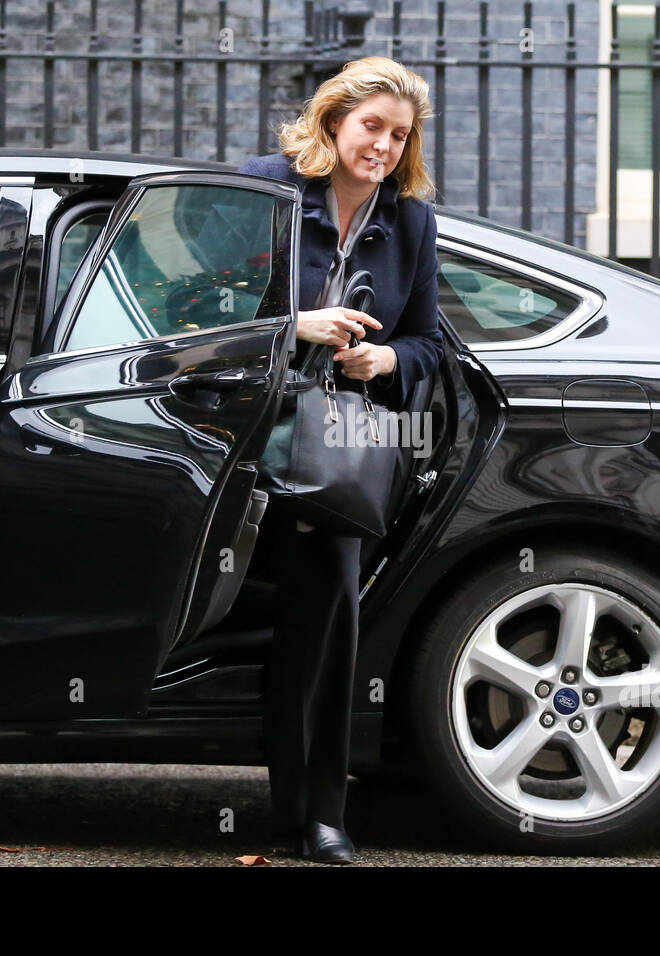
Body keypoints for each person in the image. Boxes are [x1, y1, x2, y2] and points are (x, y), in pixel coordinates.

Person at [237, 55, 443, 863]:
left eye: (400, 135)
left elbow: (430, 344)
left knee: (328, 617)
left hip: (335, 447)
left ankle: (316, 813)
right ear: (331, 122)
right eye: (372, 128)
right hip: (239, 435)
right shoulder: (266, 189)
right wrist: (299, 327)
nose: (385, 147)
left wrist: (384, 363)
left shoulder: (412, 222)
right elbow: (193, 311)